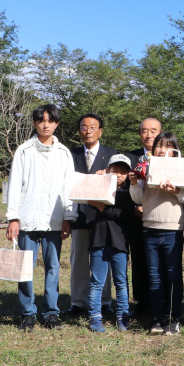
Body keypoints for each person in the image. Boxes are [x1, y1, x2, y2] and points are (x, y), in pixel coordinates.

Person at [5, 104, 76, 332]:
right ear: (35, 123)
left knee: (53, 267)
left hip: (54, 220)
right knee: (25, 267)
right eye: (41, 120)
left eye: (50, 120)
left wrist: (68, 217)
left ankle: (51, 312)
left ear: (57, 123)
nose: (46, 125)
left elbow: (69, 188)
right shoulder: (24, 150)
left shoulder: (64, 153)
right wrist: (13, 217)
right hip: (26, 220)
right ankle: (27, 313)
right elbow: (15, 185)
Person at [130, 132, 184, 335]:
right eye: (159, 145)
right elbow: (138, 198)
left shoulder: (182, 169)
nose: (162, 149)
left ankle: (173, 317)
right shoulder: (147, 167)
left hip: (172, 228)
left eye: (168, 146)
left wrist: (176, 190)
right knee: (154, 276)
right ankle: (157, 317)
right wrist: (133, 182)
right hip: (150, 227)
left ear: (175, 150)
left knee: (173, 275)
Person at [64, 113, 118, 320]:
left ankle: (105, 302)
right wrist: (66, 218)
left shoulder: (112, 155)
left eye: (93, 127)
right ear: (79, 131)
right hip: (78, 215)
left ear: (101, 131)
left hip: (102, 217)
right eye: (84, 127)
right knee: (78, 261)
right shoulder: (70, 155)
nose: (88, 131)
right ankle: (78, 302)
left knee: (102, 261)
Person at [86, 155, 136, 332]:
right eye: (115, 171)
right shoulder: (101, 187)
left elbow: (125, 215)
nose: (119, 175)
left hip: (119, 243)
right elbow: (86, 192)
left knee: (121, 282)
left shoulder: (131, 192)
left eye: (124, 171)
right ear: (108, 171)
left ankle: (123, 317)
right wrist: (98, 176)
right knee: (96, 282)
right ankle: (95, 318)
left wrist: (103, 208)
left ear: (129, 173)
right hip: (98, 241)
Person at [124, 117, 162, 319]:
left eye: (153, 131)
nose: (149, 135)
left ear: (160, 133)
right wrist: (134, 208)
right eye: (145, 131)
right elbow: (122, 188)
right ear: (139, 134)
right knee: (139, 261)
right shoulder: (130, 158)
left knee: (160, 264)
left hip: (162, 219)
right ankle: (141, 302)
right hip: (138, 219)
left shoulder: (168, 158)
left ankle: (163, 301)